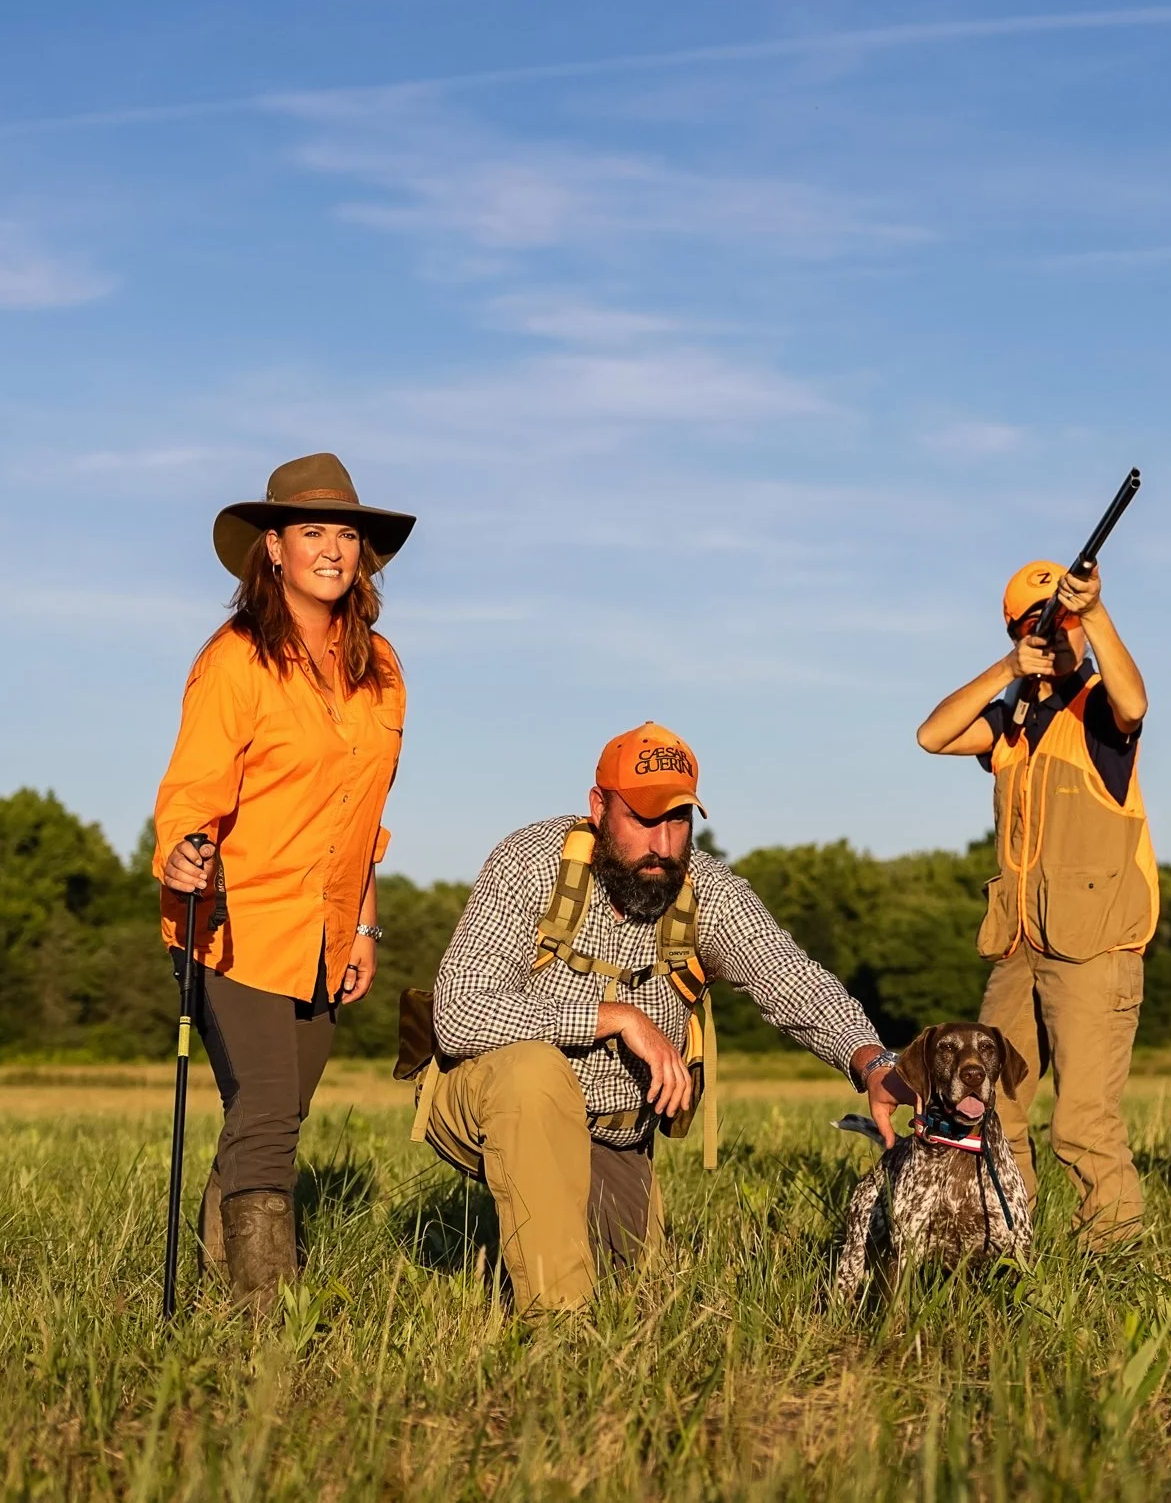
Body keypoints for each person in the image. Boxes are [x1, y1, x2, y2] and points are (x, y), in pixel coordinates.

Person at [421, 722, 913, 1313]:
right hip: (485, 1097)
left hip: (612, 1136)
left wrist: (871, 1059)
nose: (662, 843)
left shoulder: (707, 891)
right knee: (534, 1075)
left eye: (678, 820)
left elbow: (788, 976)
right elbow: (457, 1012)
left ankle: (561, 1261)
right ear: (599, 807)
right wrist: (614, 1015)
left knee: (637, 1297)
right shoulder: (531, 864)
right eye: (644, 819)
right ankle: (556, 1335)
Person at [153, 452, 413, 1306]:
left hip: (327, 930)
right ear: (274, 548)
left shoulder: (381, 670)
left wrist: (364, 923)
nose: (334, 549)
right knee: (266, 1111)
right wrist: (185, 850)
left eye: (346, 533)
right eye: (313, 532)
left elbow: (362, 814)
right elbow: (192, 789)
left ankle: (219, 1290)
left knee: (270, 1118)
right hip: (233, 921)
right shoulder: (234, 661)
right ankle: (268, 1318)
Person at [914, 558, 1153, 1245]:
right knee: (992, 1108)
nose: (1058, 639)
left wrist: (1096, 612)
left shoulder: (1101, 716)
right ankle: (1008, 1245)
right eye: (1042, 628)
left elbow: (1135, 703)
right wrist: (1006, 668)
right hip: (1019, 948)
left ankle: (1110, 1265)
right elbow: (932, 736)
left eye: (1064, 626)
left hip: (1093, 948)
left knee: (1083, 1121)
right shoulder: (1013, 723)